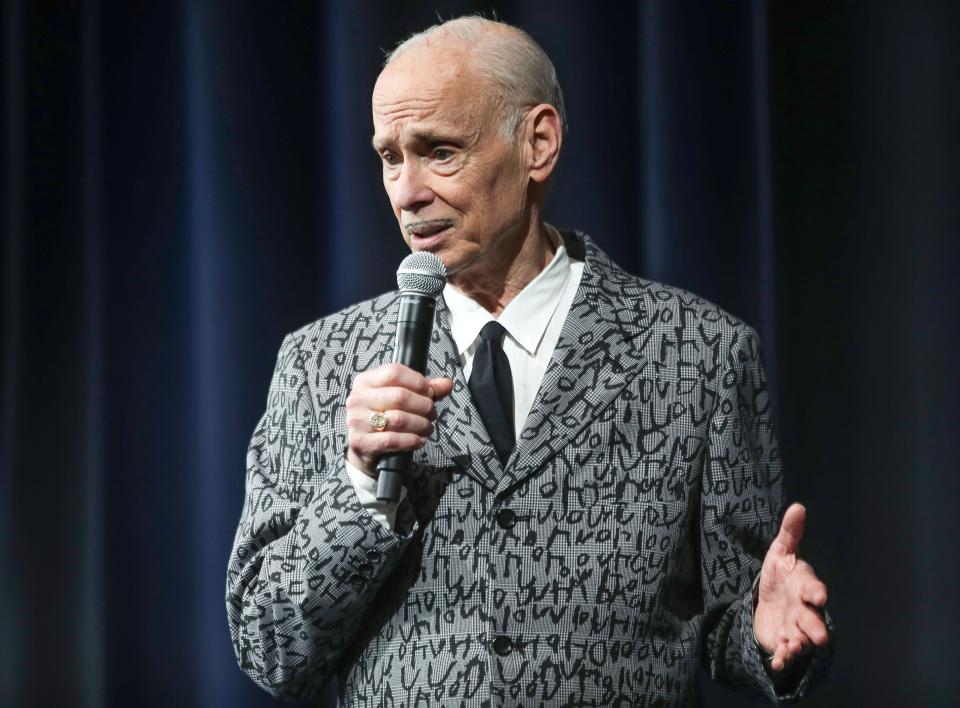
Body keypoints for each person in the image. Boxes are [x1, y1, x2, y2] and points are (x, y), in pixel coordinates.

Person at [226, 16, 834, 706]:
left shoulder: (699, 352)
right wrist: (362, 484)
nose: (406, 191)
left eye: (439, 152)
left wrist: (766, 639)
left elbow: (729, 620)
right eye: (391, 157)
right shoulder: (321, 362)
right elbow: (270, 647)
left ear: (538, 143)